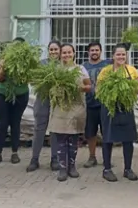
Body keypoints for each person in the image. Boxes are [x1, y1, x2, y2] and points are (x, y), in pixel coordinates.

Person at [96, 43, 138, 182]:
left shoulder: (132, 70)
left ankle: (128, 169)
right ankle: (107, 169)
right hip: (109, 108)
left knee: (128, 138)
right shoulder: (106, 71)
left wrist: (127, 90)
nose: (121, 57)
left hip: (126, 108)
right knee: (108, 138)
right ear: (113, 56)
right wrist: (111, 93)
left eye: (123, 54)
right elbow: (98, 90)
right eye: (118, 54)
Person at [49, 44, 92, 181]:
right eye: (64, 52)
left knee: (73, 139)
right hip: (60, 108)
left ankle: (72, 167)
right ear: (60, 55)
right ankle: (62, 168)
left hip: (76, 108)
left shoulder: (81, 69)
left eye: (69, 52)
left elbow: (89, 86)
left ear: (74, 54)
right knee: (61, 139)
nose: (66, 55)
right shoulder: (55, 70)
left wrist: (79, 88)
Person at [0, 37, 31, 166]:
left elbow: (28, 80)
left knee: (15, 123)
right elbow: (0, 79)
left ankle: (15, 153)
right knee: (2, 124)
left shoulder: (28, 62)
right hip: (4, 95)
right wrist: (4, 67)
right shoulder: (5, 59)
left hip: (21, 95)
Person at [27, 40, 61, 172]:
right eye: (51, 49)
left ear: (59, 51)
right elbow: (33, 80)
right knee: (39, 131)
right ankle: (34, 159)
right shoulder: (41, 64)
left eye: (55, 49)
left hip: (57, 102)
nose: (53, 52)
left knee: (55, 131)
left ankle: (55, 159)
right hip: (42, 101)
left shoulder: (62, 65)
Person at [82, 42, 112, 168]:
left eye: (96, 50)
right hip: (89, 104)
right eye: (92, 50)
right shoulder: (84, 66)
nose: (94, 52)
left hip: (104, 104)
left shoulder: (107, 65)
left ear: (100, 51)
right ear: (88, 52)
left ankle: (107, 159)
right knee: (90, 133)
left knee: (107, 132)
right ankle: (92, 157)